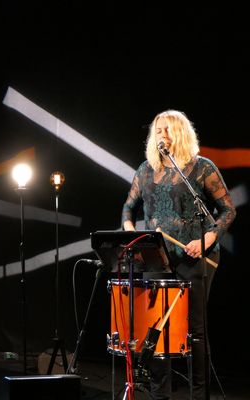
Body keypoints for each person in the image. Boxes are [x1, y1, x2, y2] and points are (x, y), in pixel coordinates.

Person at [121, 110, 236, 399]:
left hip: (196, 257)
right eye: (159, 130)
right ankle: (161, 396)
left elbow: (227, 210)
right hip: (157, 257)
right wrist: (130, 230)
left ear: (181, 133)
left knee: (195, 330)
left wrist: (207, 239)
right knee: (157, 331)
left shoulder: (201, 168)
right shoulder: (144, 170)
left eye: (169, 130)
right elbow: (127, 209)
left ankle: (200, 395)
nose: (163, 135)